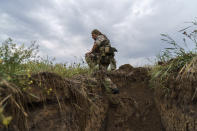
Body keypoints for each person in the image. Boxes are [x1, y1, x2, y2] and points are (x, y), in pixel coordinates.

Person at [85, 29, 119, 94]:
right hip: (107, 59)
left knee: (87, 55)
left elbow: (96, 44)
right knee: (102, 74)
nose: (92, 37)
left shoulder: (100, 37)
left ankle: (92, 69)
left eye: (93, 35)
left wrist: (91, 51)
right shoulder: (104, 38)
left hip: (104, 58)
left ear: (96, 34)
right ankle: (113, 88)